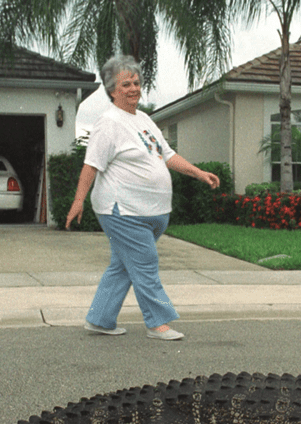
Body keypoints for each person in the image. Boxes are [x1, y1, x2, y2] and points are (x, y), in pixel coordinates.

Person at [66, 55, 220, 341]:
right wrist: (78, 201)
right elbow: (91, 165)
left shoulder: (144, 119)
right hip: (122, 210)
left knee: (123, 266)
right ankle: (158, 322)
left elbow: (167, 155)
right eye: (126, 84)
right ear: (112, 90)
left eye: (136, 82)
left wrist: (199, 173)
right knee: (145, 262)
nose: (133, 88)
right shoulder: (108, 123)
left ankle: (100, 319)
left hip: (151, 211)